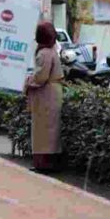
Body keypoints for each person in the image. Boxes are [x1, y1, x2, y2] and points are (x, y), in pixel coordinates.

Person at [25, 22, 64, 173]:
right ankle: (49, 164)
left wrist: (28, 81)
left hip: (45, 94)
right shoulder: (52, 51)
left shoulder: (44, 53)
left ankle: (42, 164)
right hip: (53, 93)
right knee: (51, 130)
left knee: (42, 130)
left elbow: (41, 77)